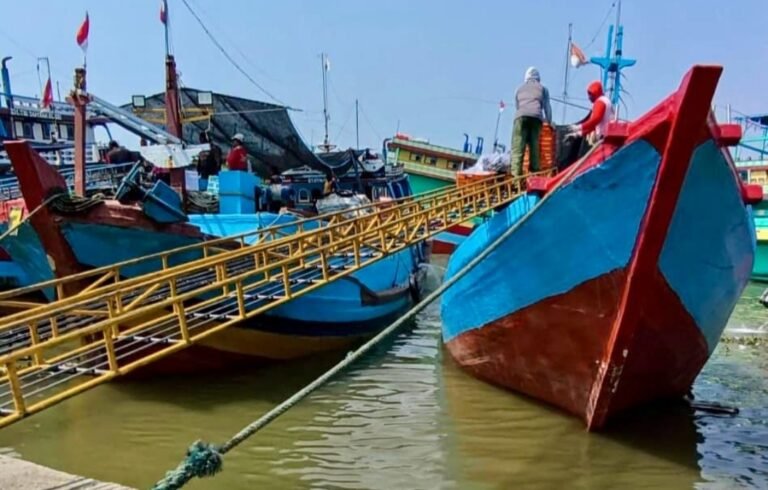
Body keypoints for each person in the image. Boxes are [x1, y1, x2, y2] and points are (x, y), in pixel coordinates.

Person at [510, 66, 552, 176]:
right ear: (538, 78)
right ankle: (534, 175)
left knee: (518, 149)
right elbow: (547, 107)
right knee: (534, 147)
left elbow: (517, 106)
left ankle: (515, 179)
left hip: (520, 117)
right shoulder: (543, 89)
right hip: (536, 118)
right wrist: (549, 122)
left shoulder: (519, 89)